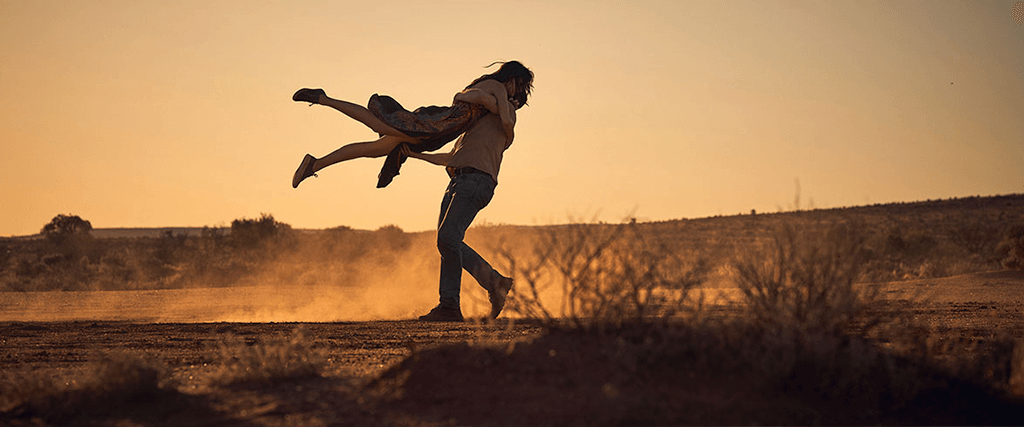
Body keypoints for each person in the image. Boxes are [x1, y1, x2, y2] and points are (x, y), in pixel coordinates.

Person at [402, 63, 534, 321]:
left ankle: (457, 302)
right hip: (458, 180)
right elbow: (450, 157)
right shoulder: (476, 127)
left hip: (476, 181)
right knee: (447, 242)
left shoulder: (506, 116)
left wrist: (465, 96)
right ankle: (478, 290)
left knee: (448, 238)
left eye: (517, 89)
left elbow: (489, 101)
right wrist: (414, 155)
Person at [290, 61, 529, 189]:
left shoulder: (491, 91)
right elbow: (494, 111)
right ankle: (323, 98)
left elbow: (469, 96)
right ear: (513, 79)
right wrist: (509, 134)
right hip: (435, 124)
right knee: (380, 126)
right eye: (519, 87)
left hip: (438, 130)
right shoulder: (497, 87)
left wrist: (476, 99)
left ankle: (315, 164)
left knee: (375, 149)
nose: (515, 95)